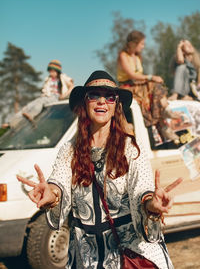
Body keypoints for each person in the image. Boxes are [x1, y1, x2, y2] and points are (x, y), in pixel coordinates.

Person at [17, 70, 182, 269]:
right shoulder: (69, 150)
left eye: (110, 96)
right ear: (84, 103)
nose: (102, 101)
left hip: (132, 256)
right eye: (94, 95)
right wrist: (51, 195)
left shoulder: (131, 149)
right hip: (86, 258)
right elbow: (58, 181)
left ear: (116, 106)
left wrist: (151, 205)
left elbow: (142, 190)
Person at [117, 30, 181, 143]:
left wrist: (150, 79)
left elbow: (140, 76)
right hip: (127, 86)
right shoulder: (123, 56)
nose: (143, 46)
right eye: (142, 44)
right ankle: (164, 121)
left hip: (138, 84)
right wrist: (151, 77)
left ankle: (165, 111)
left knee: (155, 86)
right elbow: (132, 75)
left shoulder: (137, 57)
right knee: (152, 83)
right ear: (134, 43)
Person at [2, 59, 74, 128]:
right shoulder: (48, 79)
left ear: (57, 71)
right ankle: (11, 122)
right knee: (28, 106)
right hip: (45, 97)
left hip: (55, 97)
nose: (51, 73)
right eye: (50, 71)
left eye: (52, 71)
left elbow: (71, 85)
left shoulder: (62, 77)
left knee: (40, 103)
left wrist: (64, 95)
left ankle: (31, 115)